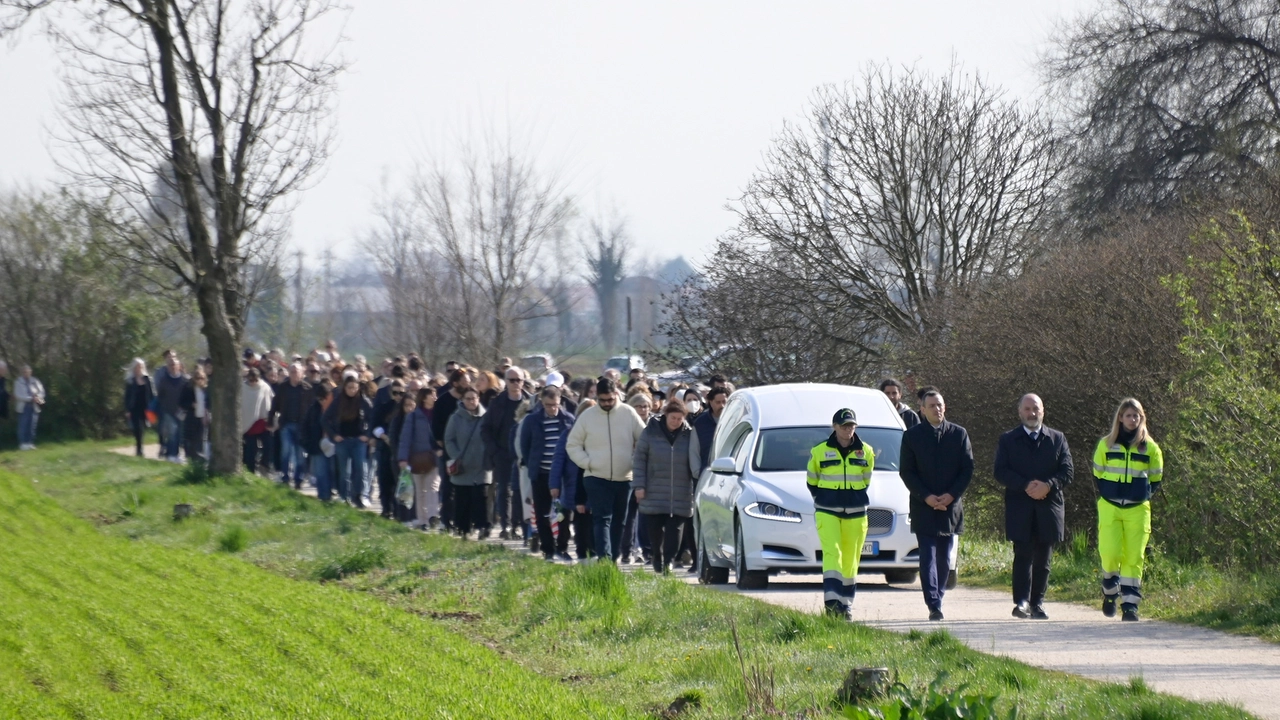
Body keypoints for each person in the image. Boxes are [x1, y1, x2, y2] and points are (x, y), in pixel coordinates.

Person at [993, 394, 1074, 620]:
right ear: (1020, 412)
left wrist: (1048, 485)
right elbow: (1000, 471)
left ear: (1043, 411)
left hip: (1049, 506)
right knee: (1023, 556)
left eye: (1036, 409)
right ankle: (1021, 602)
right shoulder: (1008, 440)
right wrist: (1026, 485)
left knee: (1043, 559)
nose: (1032, 413)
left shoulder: (1057, 439)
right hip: (1020, 506)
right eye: (1027, 409)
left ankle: (1038, 603)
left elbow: (1067, 472)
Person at [899, 390, 974, 621]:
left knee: (944, 557)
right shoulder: (912, 437)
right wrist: (926, 496)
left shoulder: (959, 434)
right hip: (924, 506)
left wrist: (951, 496)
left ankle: (939, 595)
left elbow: (967, 469)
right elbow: (907, 472)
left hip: (950, 507)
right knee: (927, 556)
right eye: (931, 405)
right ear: (922, 409)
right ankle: (933, 603)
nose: (936, 409)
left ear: (945, 407)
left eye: (940, 405)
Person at [1093, 398, 1163, 622]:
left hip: (1137, 508)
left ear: (1142, 418)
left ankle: (1130, 605)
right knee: (1111, 552)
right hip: (1110, 506)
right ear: (1120, 418)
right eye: (1129, 415)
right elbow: (1097, 473)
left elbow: (1156, 477)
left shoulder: (1150, 447)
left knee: (1134, 557)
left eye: (1137, 416)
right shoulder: (1106, 444)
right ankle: (1110, 591)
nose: (1133, 420)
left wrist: (1141, 494)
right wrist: (1108, 490)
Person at [565, 378, 646, 562]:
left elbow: (645, 441)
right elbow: (572, 444)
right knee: (602, 519)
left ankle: (613, 558)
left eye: (610, 399)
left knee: (620, 521)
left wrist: (633, 462)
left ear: (616, 395)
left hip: (624, 477)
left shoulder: (628, 413)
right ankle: (604, 559)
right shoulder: (587, 416)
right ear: (597, 397)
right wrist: (588, 463)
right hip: (595, 477)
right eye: (603, 400)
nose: (607, 404)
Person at [806, 408, 875, 619]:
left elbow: (866, 479)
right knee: (832, 554)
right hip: (827, 511)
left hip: (856, 513)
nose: (848, 430)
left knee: (851, 560)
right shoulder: (819, 451)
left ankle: (845, 606)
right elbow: (812, 481)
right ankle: (832, 604)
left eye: (852, 426)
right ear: (834, 427)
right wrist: (827, 497)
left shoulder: (866, 451)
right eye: (844, 426)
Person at [632, 398, 702, 574]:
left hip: (681, 489)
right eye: (673, 418)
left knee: (676, 529)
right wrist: (639, 485)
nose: (676, 422)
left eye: (680, 419)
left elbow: (694, 457)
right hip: (654, 487)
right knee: (655, 528)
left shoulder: (688, 434)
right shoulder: (650, 432)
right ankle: (657, 554)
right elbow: (639, 459)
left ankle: (669, 560)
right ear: (666, 415)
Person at [520, 386, 576, 561]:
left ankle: (562, 547)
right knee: (542, 513)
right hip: (541, 473)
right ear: (541, 403)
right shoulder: (532, 420)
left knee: (564, 513)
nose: (552, 408)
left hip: (561, 475)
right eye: (548, 405)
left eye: (555, 404)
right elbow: (525, 446)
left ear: (561, 402)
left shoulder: (568, 420)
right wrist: (533, 465)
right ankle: (548, 548)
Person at [482, 367, 531, 540]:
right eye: (512, 380)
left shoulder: (531, 402)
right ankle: (506, 525)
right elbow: (485, 428)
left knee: (521, 492)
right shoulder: (497, 403)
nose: (516, 383)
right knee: (504, 490)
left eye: (519, 380)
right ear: (506, 381)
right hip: (502, 453)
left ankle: (519, 526)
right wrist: (494, 450)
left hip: (524, 455)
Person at [445, 387, 490, 537]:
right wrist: (456, 456)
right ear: (462, 400)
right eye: (468, 398)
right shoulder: (455, 418)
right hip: (462, 466)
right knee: (462, 499)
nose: (471, 401)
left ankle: (482, 527)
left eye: (474, 398)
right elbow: (449, 439)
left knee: (481, 498)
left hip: (482, 466)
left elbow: (492, 437)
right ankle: (463, 529)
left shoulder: (486, 417)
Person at [324, 377, 373, 506]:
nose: (352, 390)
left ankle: (360, 496)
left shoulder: (364, 402)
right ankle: (344, 496)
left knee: (360, 469)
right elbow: (324, 419)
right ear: (344, 388)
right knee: (344, 471)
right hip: (342, 440)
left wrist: (367, 435)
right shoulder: (338, 401)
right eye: (349, 387)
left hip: (358, 441)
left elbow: (372, 419)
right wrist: (334, 435)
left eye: (355, 387)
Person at [399, 387, 441, 530]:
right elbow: (405, 438)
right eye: (432, 395)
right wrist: (403, 458)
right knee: (420, 489)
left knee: (433, 486)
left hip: (434, 457)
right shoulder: (414, 416)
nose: (435, 397)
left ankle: (432, 516)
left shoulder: (438, 414)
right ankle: (422, 520)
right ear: (424, 398)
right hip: (416, 458)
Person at [433, 369, 471, 529]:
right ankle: (446, 519)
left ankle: (462, 519)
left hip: (468, 449)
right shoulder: (443, 401)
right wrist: (440, 443)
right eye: (464, 382)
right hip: (449, 450)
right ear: (455, 383)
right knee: (448, 486)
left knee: (465, 486)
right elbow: (435, 425)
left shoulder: (469, 400)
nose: (468, 384)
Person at [271, 363, 312, 487]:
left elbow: (311, 408)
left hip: (301, 425)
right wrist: (271, 419)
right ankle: (285, 477)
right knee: (286, 451)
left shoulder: (307, 388)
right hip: (286, 424)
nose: (294, 374)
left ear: (302, 373)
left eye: (297, 371)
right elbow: (275, 404)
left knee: (300, 454)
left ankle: (298, 479)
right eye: (292, 371)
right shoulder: (283, 387)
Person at [301, 383, 334, 501]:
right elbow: (305, 427)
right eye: (320, 399)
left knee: (332, 471)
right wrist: (307, 444)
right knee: (320, 473)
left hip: (333, 444)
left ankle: (331, 493)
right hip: (317, 445)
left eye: (325, 398)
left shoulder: (336, 407)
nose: (322, 401)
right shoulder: (313, 409)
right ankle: (323, 497)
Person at [239, 368, 274, 472]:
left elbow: (270, 402)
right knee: (250, 450)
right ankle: (251, 472)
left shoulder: (265, 387)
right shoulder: (242, 388)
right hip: (249, 425)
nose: (253, 382)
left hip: (263, 422)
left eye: (255, 380)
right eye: (251, 380)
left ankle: (264, 466)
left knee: (268, 446)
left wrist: (272, 418)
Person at [155, 355, 189, 461]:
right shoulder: (164, 380)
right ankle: (172, 454)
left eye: (174, 364)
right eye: (170, 365)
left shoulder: (185, 380)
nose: (172, 367)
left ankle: (175, 453)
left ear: (179, 366)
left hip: (181, 411)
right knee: (171, 433)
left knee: (179, 433)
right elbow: (160, 395)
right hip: (168, 411)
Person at [124, 358, 155, 457]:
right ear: (134, 368)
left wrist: (153, 407)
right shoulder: (130, 381)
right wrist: (127, 409)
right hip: (134, 407)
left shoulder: (147, 379)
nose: (139, 368)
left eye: (141, 366)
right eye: (137, 366)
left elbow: (152, 394)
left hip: (146, 407)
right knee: (137, 427)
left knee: (144, 427)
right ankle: (139, 449)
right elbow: (127, 396)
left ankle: (140, 446)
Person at [179, 367, 210, 462]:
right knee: (190, 438)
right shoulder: (188, 388)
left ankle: (199, 458)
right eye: (197, 378)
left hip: (202, 418)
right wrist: (191, 404)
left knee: (200, 439)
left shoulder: (206, 390)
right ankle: (190, 457)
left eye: (201, 378)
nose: (199, 380)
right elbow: (181, 402)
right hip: (192, 416)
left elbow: (209, 403)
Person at [693, 387, 727, 466]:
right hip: (707, 472)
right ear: (711, 402)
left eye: (724, 401)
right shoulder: (700, 423)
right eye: (718, 402)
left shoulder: (736, 420)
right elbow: (694, 452)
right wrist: (698, 473)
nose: (722, 405)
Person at [14, 365, 45, 450]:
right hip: (24, 407)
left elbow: (42, 391)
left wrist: (38, 398)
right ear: (22, 373)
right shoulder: (18, 382)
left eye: (27, 372)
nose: (26, 373)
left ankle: (30, 443)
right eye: (24, 372)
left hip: (34, 406)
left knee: (32, 425)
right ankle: (23, 443)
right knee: (23, 425)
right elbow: (19, 395)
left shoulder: (35, 381)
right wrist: (31, 399)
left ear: (30, 372)